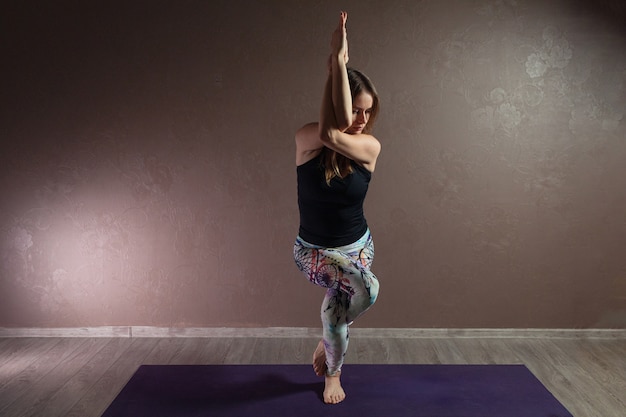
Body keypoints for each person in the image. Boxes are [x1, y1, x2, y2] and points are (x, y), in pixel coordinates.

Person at [293, 11, 381, 405]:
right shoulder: (307, 139)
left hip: (358, 246)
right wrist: (338, 65)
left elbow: (340, 128)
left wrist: (338, 62)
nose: (361, 120)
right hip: (313, 252)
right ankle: (333, 358)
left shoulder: (369, 147)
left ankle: (330, 361)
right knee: (367, 287)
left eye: (368, 111)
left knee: (336, 313)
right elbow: (333, 127)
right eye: (357, 110)